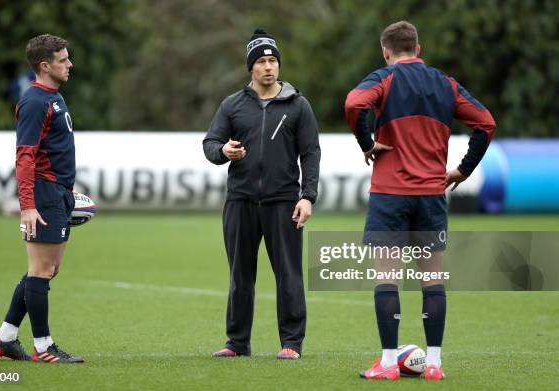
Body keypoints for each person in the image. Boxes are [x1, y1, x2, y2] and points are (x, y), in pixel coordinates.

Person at [345, 21, 495, 380]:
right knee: (432, 280)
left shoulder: (384, 78)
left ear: (386, 51)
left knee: (387, 279)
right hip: (431, 195)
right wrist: (463, 170)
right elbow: (486, 123)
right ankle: (434, 364)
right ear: (418, 47)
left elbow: (354, 103)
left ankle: (386, 364)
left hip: (389, 195)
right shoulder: (445, 83)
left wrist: (367, 143)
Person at [203, 28, 321, 360]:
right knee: (240, 276)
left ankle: (291, 344)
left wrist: (307, 196)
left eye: (273, 61)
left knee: (289, 275)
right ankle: (237, 343)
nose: (268, 67)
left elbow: (311, 153)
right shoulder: (233, 105)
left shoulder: (298, 106)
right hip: (239, 201)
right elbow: (210, 145)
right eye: (262, 61)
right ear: (251, 68)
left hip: (284, 202)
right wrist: (223, 150)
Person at [0, 34, 83, 363]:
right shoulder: (34, 102)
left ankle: (6, 337)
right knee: (41, 270)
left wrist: (67, 192)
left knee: (47, 268)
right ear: (45, 66)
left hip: (57, 192)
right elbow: (25, 157)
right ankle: (43, 346)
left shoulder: (53, 97)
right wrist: (28, 205)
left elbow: (52, 151)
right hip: (42, 194)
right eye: (63, 60)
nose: (70, 64)